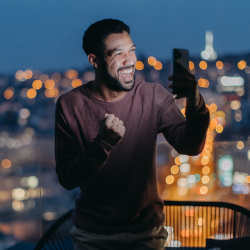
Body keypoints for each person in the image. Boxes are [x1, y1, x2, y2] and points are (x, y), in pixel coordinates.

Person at [54, 19, 210, 250]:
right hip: (93, 238)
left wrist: (195, 102)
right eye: (118, 53)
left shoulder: (153, 97)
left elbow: (191, 146)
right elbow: (67, 178)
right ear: (94, 60)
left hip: (146, 236)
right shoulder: (70, 106)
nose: (130, 61)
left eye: (132, 51)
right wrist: (103, 144)